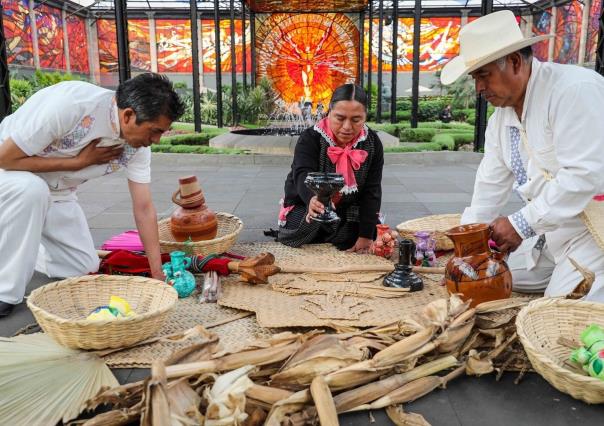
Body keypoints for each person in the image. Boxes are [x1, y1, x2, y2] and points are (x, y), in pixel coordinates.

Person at [440, 10, 604, 301]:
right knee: (486, 272)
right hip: (550, 232)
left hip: (594, 230)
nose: (478, 88)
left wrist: (520, 224)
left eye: (483, 75)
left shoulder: (574, 90)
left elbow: (583, 175)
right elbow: (489, 186)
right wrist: (467, 248)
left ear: (515, 62)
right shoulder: (500, 119)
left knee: (557, 308)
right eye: (475, 77)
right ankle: (561, 272)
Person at [0, 73, 185, 317]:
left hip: (58, 192)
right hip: (11, 177)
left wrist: (157, 272)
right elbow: (5, 158)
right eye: (154, 131)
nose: (156, 140)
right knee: (32, 190)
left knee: (82, 268)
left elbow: (143, 207)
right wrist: (78, 163)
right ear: (128, 115)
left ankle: (26, 243)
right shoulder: (71, 106)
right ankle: (5, 292)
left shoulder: (137, 146)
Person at [273, 84, 384, 252]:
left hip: (348, 208)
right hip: (306, 204)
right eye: (340, 118)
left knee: (370, 229)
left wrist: (366, 236)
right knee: (310, 222)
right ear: (329, 112)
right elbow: (302, 174)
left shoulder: (373, 143)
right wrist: (312, 199)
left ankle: (339, 234)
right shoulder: (311, 138)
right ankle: (333, 234)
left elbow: (372, 190)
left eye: (356, 120)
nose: (347, 127)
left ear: (365, 117)